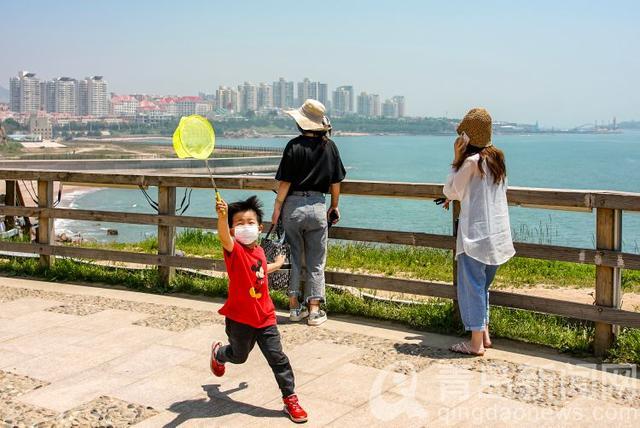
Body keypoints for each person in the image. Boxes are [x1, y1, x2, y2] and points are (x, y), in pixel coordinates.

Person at [210, 195, 308, 423]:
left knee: (278, 358)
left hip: (265, 317)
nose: (246, 227)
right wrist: (222, 217)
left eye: (250, 222)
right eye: (239, 223)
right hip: (240, 318)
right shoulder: (234, 251)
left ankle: (290, 399)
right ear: (233, 230)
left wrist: (277, 264)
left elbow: (260, 269)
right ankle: (219, 354)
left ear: (260, 227)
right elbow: (223, 237)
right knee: (239, 356)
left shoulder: (260, 251)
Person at [442, 108, 515, 356]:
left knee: (472, 287)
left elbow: (451, 191)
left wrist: (456, 159)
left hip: (475, 236)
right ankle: (484, 335)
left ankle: (475, 344)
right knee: (482, 286)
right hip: (497, 236)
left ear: (467, 137)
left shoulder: (471, 162)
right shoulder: (497, 160)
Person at [272, 99, 346, 326]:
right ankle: (314, 310)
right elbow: (336, 182)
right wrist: (334, 205)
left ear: (301, 123)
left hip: (293, 207)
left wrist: (277, 208)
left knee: (293, 257)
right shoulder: (329, 147)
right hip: (317, 206)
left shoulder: (293, 146)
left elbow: (285, 183)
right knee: (316, 261)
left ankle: (294, 308)